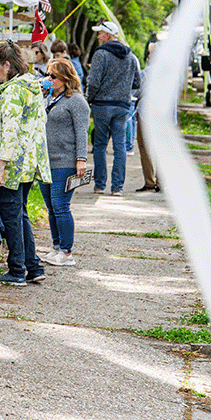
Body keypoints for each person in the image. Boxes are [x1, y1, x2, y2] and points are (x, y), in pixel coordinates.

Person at [0, 40, 50, 286]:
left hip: (13, 164)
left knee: (11, 216)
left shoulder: (13, 92)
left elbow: (10, 132)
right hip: (28, 162)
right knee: (20, 215)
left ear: (8, 65)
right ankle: (32, 266)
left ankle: (17, 270)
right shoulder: (30, 88)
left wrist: (0, 166)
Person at [38, 58, 89, 266]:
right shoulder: (48, 97)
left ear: (65, 78)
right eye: (48, 74)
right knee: (51, 207)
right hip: (46, 160)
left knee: (61, 206)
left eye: (53, 76)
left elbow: (82, 132)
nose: (49, 79)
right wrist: (41, 95)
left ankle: (67, 252)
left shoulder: (76, 101)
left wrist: (81, 159)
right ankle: (57, 246)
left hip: (65, 161)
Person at [86, 21, 141, 195]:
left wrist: (90, 98)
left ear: (108, 35)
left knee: (100, 145)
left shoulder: (100, 54)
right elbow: (137, 83)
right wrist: (122, 90)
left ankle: (100, 185)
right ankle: (117, 187)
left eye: (101, 33)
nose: (98, 36)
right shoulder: (131, 57)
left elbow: (93, 82)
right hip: (122, 106)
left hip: (102, 105)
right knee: (120, 147)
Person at [135, 43, 161, 193]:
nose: (149, 56)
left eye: (150, 54)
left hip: (146, 112)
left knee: (145, 147)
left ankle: (149, 181)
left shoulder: (146, 73)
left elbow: (137, 91)